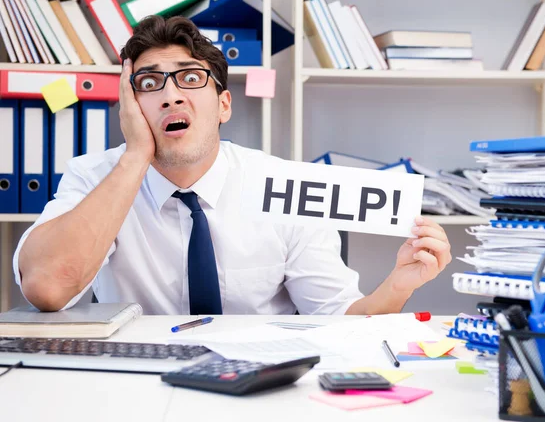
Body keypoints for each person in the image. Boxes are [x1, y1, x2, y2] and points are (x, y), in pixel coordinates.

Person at [13, 16, 452, 315]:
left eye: (189, 78)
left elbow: (340, 320)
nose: (171, 95)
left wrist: (399, 284)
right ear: (129, 107)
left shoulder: (287, 186)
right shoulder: (93, 178)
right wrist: (134, 155)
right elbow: (48, 287)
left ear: (223, 105)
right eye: (149, 83)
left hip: (262, 388)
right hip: (134, 389)